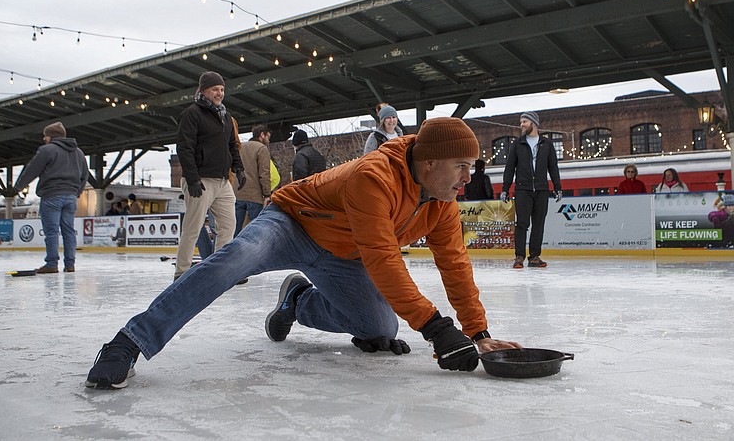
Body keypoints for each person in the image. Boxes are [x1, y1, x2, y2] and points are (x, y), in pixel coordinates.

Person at [85, 117, 521, 390]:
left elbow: (455, 266)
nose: (469, 177)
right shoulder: (375, 176)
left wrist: (478, 333)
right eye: (463, 165)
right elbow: (383, 258)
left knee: (379, 327)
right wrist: (436, 328)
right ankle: (131, 341)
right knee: (235, 258)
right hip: (292, 223)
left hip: (342, 253)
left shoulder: (441, 204)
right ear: (430, 163)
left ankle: (298, 300)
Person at [174, 71, 246, 281]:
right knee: (193, 227)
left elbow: (232, 145)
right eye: (215, 89)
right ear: (203, 90)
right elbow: (184, 148)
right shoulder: (192, 114)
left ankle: (221, 269)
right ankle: (181, 272)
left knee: (228, 224)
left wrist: (239, 168)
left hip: (222, 180)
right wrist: (192, 178)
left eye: (222, 89)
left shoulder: (226, 116)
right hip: (201, 180)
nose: (220, 93)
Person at [13, 122, 89, 273]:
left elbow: (32, 170)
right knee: (68, 230)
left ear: (51, 136)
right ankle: (70, 264)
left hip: (52, 195)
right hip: (70, 197)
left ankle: (52, 264)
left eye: (45, 136)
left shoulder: (47, 150)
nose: (44, 139)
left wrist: (18, 187)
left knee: (52, 231)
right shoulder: (78, 152)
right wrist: (77, 192)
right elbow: (85, 175)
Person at [500, 111, 562, 269]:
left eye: (524, 122)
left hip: (541, 189)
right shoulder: (517, 144)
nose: (521, 125)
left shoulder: (546, 144)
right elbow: (509, 168)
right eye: (521, 122)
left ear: (533, 123)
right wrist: (505, 189)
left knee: (538, 224)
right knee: (521, 223)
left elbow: (553, 167)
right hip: (523, 189)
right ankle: (519, 256)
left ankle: (534, 257)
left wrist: (557, 187)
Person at [234, 124, 272, 236]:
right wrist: (267, 193)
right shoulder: (262, 149)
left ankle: (234, 252)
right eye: (268, 137)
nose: (268, 140)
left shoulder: (240, 147)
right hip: (254, 196)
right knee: (256, 230)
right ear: (262, 135)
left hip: (237, 193)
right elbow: (264, 173)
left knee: (235, 229)